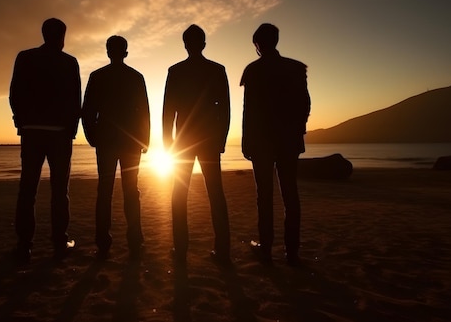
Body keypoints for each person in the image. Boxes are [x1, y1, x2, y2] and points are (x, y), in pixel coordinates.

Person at [9, 18, 81, 263]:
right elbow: (75, 100)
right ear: (62, 36)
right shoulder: (69, 62)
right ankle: (59, 241)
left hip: (32, 131)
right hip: (59, 133)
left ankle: (24, 245)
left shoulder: (25, 57)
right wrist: (71, 130)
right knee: (60, 190)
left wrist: (21, 121)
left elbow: (14, 92)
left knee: (27, 189)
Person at [240, 23, 311, 266]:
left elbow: (248, 111)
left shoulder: (254, 71)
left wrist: (246, 141)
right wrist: (298, 131)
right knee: (290, 194)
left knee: (265, 196)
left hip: (262, 142)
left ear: (258, 45)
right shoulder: (295, 68)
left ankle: (267, 249)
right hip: (288, 141)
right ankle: (291, 252)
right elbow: (305, 105)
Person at [162, 24, 231, 265]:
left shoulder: (176, 71)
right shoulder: (217, 70)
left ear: (185, 44)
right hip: (209, 139)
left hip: (183, 140)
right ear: (203, 44)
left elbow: (168, 110)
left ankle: (180, 249)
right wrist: (221, 139)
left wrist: (167, 142)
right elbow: (225, 109)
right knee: (215, 193)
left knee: (179, 193)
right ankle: (222, 250)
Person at [82, 35, 150, 259]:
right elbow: (144, 112)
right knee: (131, 190)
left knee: (106, 191)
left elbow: (88, 112)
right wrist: (145, 139)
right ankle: (134, 239)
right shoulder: (135, 77)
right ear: (125, 52)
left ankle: (104, 241)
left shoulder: (98, 76)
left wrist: (93, 136)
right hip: (129, 142)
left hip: (108, 141)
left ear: (108, 52)